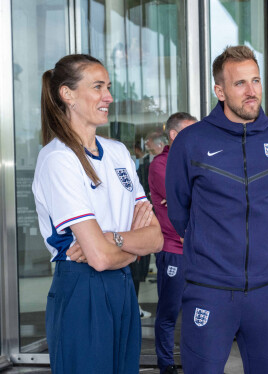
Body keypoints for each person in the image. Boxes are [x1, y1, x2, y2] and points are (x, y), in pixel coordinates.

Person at [165, 45, 268, 374]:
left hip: (267, 290)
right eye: (240, 83)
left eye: (255, 80)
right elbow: (179, 210)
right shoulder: (191, 141)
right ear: (220, 90)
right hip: (209, 290)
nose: (252, 91)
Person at [33, 54, 163, 373]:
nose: (109, 96)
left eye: (108, 86)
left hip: (120, 286)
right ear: (68, 94)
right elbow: (100, 258)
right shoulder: (58, 159)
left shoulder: (118, 152)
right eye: (98, 87)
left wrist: (112, 240)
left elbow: (156, 238)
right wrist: (131, 249)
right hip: (80, 287)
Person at [150, 112, 197, 374]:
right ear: (174, 135)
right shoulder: (160, 164)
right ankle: (166, 365)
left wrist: (189, 196)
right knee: (169, 314)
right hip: (174, 251)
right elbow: (188, 197)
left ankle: (195, 364)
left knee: (197, 314)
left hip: (200, 251)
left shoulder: (196, 161)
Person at [132, 130, 168, 319]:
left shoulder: (165, 163)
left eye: (149, 144)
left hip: (164, 227)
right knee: (138, 266)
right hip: (145, 223)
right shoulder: (146, 165)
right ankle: (133, 306)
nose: (146, 147)